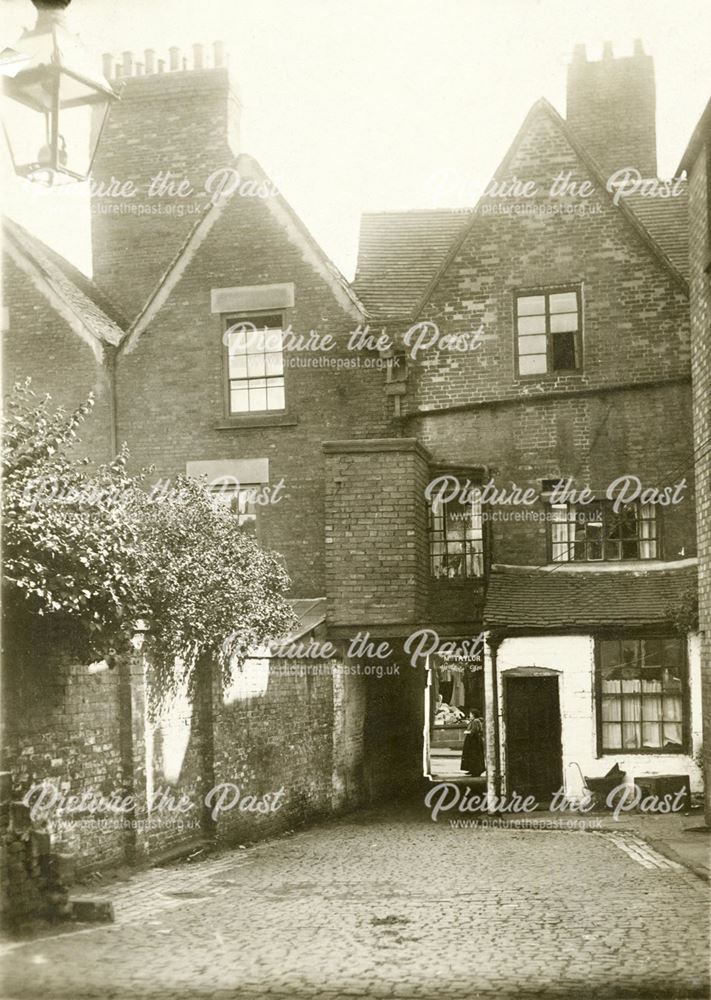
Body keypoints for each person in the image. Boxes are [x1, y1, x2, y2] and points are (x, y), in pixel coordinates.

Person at [460, 710, 485, 776]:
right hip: (474, 740)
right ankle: (472, 770)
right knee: (472, 755)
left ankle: (475, 771)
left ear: (473, 714)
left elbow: (474, 730)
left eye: (470, 714)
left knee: (474, 755)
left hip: (474, 741)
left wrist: (467, 732)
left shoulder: (475, 721)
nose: (470, 715)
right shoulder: (474, 721)